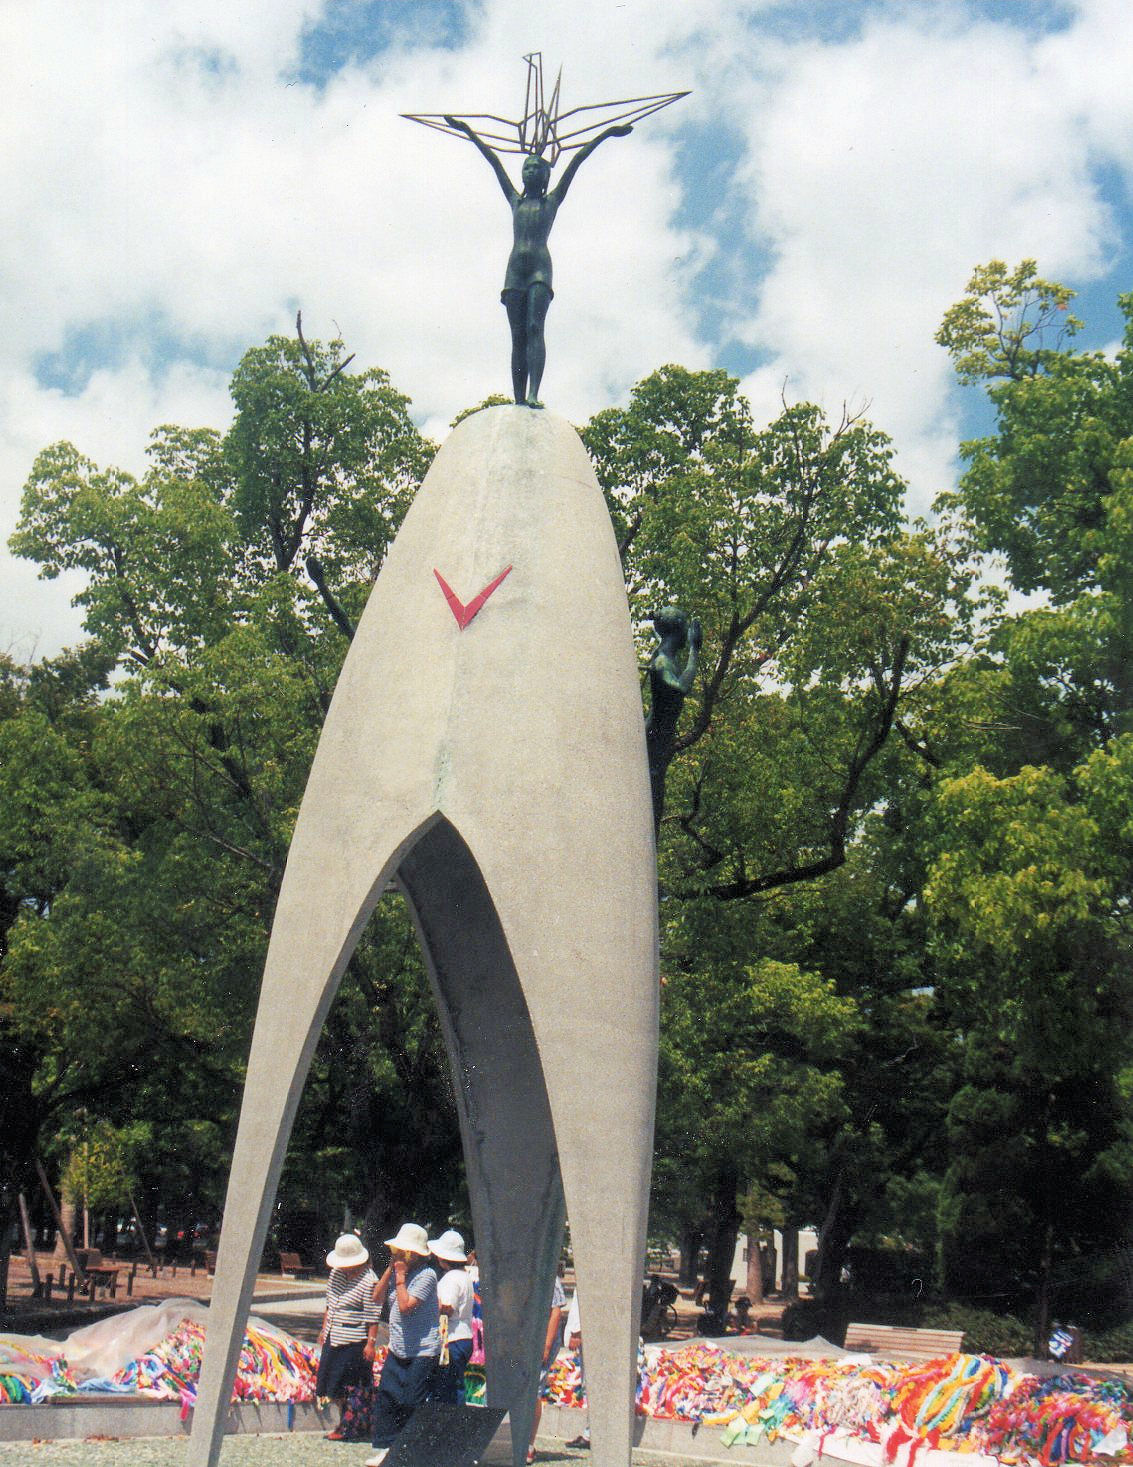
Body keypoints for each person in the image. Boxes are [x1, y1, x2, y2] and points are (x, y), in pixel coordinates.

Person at [442, 115, 633, 408]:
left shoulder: (551, 201)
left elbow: (577, 161)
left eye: (536, 168)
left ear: (545, 176)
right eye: (526, 167)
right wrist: (468, 131)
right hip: (515, 271)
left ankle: (533, 393)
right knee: (517, 335)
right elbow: (493, 161)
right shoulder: (515, 201)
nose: (530, 170)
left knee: (534, 328)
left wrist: (607, 133)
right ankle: (519, 398)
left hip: (540, 270)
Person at [365, 1222, 440, 1467]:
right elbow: (376, 1298)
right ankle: (387, 1448)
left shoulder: (427, 1275)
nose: (399, 1255)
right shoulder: (398, 1274)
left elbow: (406, 1307)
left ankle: (411, 1451)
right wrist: (389, 1271)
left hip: (422, 1350)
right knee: (388, 1396)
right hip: (398, 1348)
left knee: (411, 1400)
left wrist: (400, 1277)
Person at [315, 1232, 380, 1441]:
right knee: (331, 1385)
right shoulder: (336, 1274)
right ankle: (345, 1424)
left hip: (354, 1341)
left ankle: (349, 1427)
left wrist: (370, 1343)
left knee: (350, 1386)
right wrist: (324, 1329)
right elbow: (330, 1304)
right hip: (334, 1336)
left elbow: (372, 1316)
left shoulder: (369, 1280)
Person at [644, 607, 702, 834]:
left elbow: (681, 681)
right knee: (651, 813)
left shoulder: (667, 659)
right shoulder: (661, 663)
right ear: (679, 628)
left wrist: (694, 652)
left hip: (658, 746)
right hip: (652, 743)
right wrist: (695, 651)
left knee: (653, 813)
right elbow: (681, 688)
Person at [428, 1228, 476, 1405]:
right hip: (464, 1336)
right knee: (455, 1386)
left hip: (452, 1339)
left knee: (447, 1388)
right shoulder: (464, 1276)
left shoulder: (451, 1278)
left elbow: (447, 1308)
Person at [528, 1267, 567, 1464]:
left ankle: (529, 1444)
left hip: (541, 1341)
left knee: (533, 1390)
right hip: (520, 1341)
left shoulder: (547, 1274)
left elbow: (556, 1311)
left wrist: (546, 1345)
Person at [563, 1289, 590, 1451]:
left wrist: (577, 1332)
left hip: (586, 1333)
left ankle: (590, 1434)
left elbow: (584, 1300)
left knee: (591, 1386)